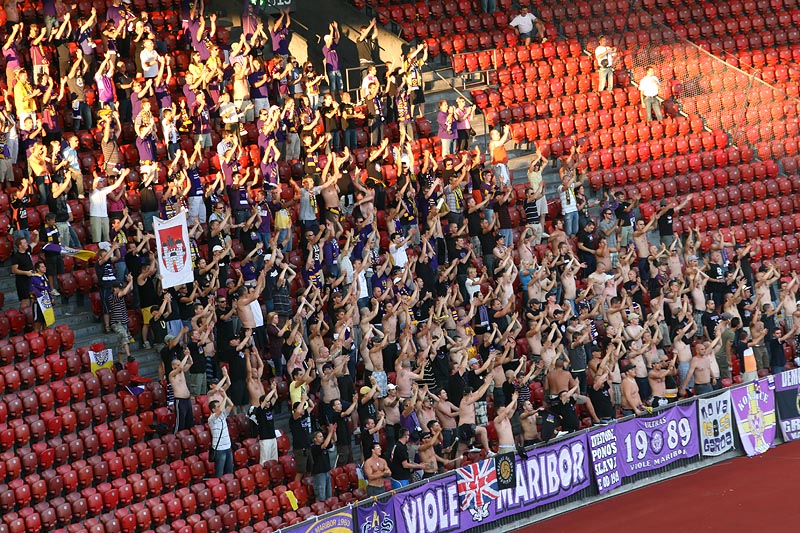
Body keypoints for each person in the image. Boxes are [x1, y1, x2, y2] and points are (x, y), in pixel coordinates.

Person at [248, 387, 279, 465]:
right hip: (265, 439)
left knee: (274, 459)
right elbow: (266, 400)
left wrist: (274, 389)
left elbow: (275, 397)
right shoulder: (259, 411)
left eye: (269, 402)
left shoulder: (269, 409)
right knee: (264, 461)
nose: (269, 403)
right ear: (262, 402)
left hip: (273, 437)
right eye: (267, 402)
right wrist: (272, 390)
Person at [208, 393, 234, 478]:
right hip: (219, 449)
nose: (221, 408)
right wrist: (224, 399)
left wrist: (225, 396)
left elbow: (231, 405)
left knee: (229, 471)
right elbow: (219, 411)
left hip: (228, 447)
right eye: (218, 406)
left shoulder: (223, 415)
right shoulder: (212, 418)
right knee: (219, 473)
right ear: (213, 409)